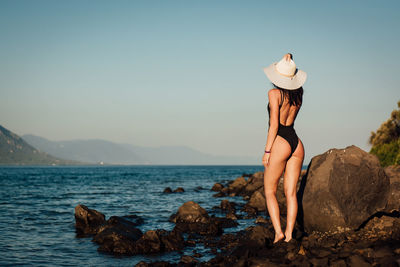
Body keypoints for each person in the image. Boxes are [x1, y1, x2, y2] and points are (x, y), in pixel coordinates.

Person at [262, 53, 307, 244]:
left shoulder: (274, 94)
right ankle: (289, 235)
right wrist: (289, 59)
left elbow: (274, 125)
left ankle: (278, 233)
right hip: (296, 142)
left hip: (280, 140)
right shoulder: (299, 94)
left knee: (270, 191)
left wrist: (267, 151)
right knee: (290, 193)